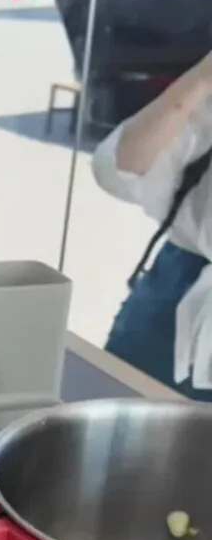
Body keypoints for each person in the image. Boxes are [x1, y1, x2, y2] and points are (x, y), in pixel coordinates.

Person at [93, 50, 212, 400]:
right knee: (118, 426)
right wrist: (203, 77)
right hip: (176, 298)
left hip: (178, 293)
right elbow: (118, 170)